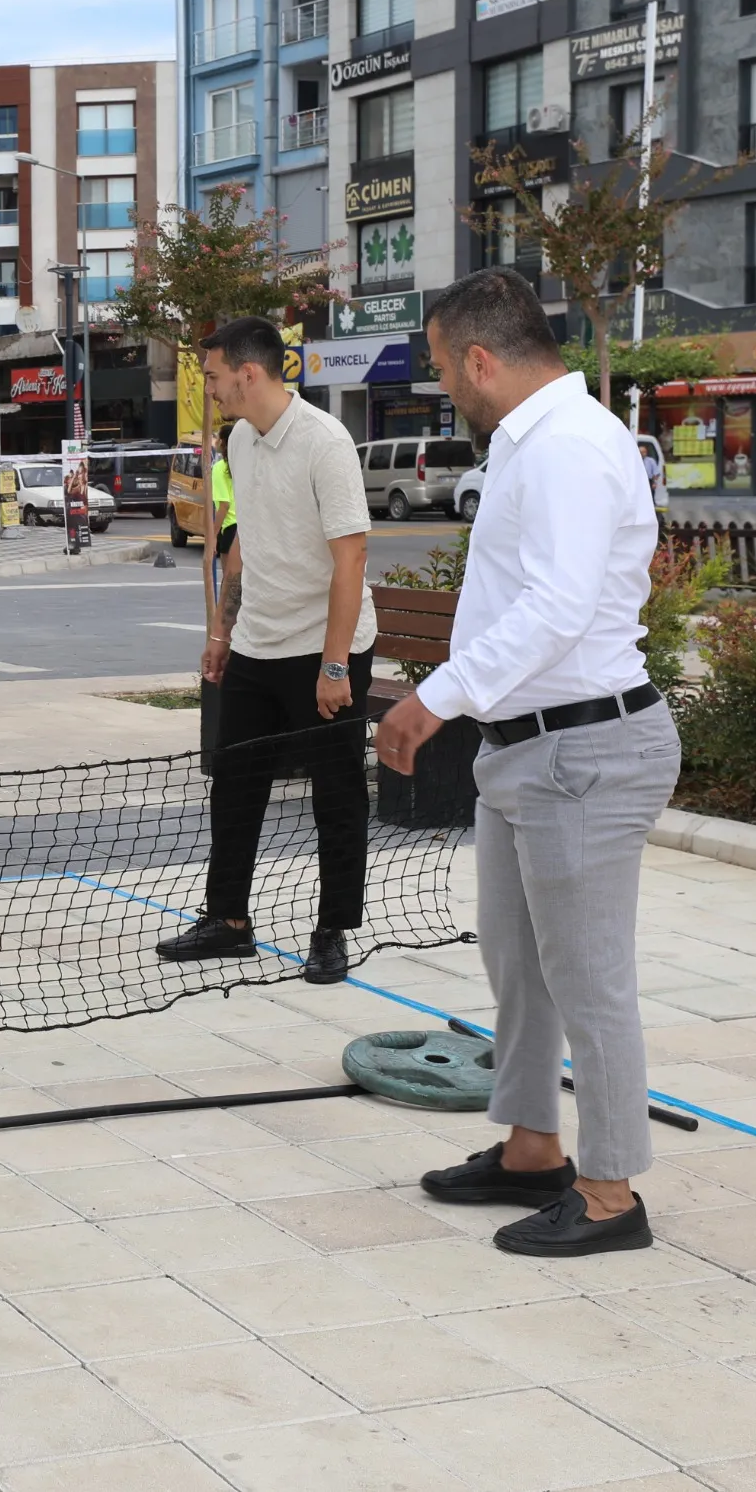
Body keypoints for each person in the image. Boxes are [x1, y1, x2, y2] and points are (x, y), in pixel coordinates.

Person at [375, 268, 681, 1259]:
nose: (441, 388)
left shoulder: (569, 447)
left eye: (440, 367)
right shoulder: (528, 441)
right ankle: (531, 1147)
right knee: (522, 967)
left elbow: (553, 610)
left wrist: (434, 696)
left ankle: (608, 1193)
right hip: (529, 754)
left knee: (589, 981)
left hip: (583, 749)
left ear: (478, 357)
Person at [156, 316, 376, 987]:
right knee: (235, 788)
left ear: (249, 373)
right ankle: (228, 921)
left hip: (324, 649)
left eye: (216, 377)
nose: (212, 389)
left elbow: (353, 557)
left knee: (335, 796)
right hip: (256, 644)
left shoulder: (323, 442)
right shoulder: (240, 441)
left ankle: (332, 930)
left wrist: (335, 665)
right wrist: (223, 633)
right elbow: (243, 539)